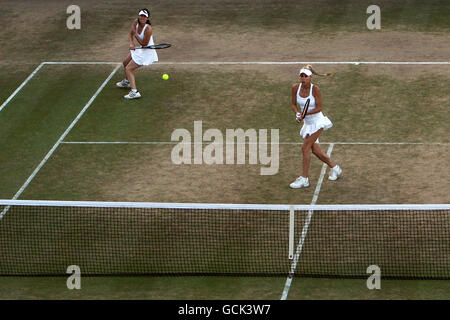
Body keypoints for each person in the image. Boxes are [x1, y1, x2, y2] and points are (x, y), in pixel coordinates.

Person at [289, 65, 342, 189]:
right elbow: (293, 104)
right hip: (307, 123)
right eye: (301, 76)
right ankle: (335, 168)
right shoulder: (295, 88)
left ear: (310, 77)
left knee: (305, 148)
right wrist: (297, 113)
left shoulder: (315, 89)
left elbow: (319, 108)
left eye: (305, 76)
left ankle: (304, 179)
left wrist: (305, 114)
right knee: (316, 150)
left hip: (317, 122)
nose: (303, 78)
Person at [116, 8, 158, 99]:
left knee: (128, 69)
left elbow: (144, 44)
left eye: (144, 16)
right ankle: (127, 82)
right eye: (141, 15)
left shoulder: (148, 29)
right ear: (139, 16)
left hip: (147, 52)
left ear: (147, 18)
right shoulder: (136, 22)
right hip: (140, 49)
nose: (142, 18)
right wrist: (131, 43)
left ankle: (134, 92)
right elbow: (130, 33)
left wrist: (135, 34)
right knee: (125, 62)